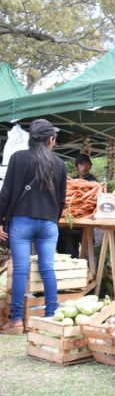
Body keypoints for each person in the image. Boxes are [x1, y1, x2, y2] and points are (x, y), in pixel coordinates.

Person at [0, 119, 67, 334]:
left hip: (21, 221)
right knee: (48, 269)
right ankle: (51, 317)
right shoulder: (60, 164)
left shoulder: (18, 158)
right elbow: (61, 200)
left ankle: (17, 320)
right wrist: (52, 220)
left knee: (20, 270)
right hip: (48, 223)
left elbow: (6, 194)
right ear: (50, 140)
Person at [57, 153, 98, 258]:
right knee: (69, 250)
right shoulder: (71, 181)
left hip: (86, 222)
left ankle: (91, 271)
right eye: (81, 164)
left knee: (89, 251)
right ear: (76, 167)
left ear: (90, 166)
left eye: (86, 164)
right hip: (70, 221)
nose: (84, 167)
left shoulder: (94, 183)